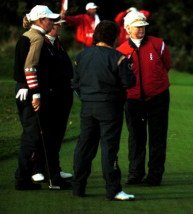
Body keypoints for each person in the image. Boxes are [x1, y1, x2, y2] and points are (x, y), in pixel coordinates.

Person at [72, 20, 136, 200]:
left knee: (84, 146)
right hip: (110, 107)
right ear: (114, 37)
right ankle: (113, 189)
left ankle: (78, 187)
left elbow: (75, 83)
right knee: (109, 148)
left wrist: (86, 96)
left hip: (88, 107)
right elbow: (129, 82)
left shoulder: (81, 55)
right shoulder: (118, 57)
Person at [117, 11, 172, 186]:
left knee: (157, 137)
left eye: (143, 26)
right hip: (132, 100)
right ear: (127, 28)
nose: (141, 29)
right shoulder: (120, 50)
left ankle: (155, 176)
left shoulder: (159, 44)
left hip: (158, 97)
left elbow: (166, 65)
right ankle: (135, 174)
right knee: (136, 137)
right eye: (137, 26)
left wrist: (154, 84)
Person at [13, 5, 59, 190]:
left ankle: (24, 175)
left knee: (31, 134)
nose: (53, 22)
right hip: (30, 92)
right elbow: (30, 68)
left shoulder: (27, 36)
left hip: (23, 89)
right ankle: (22, 178)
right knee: (31, 136)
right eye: (50, 19)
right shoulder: (37, 38)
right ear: (41, 20)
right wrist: (36, 94)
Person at [30, 18, 74, 188]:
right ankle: (42, 170)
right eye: (57, 24)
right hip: (49, 96)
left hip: (63, 95)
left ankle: (53, 168)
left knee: (57, 134)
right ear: (48, 26)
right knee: (47, 135)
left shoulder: (57, 43)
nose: (60, 27)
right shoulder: (41, 43)